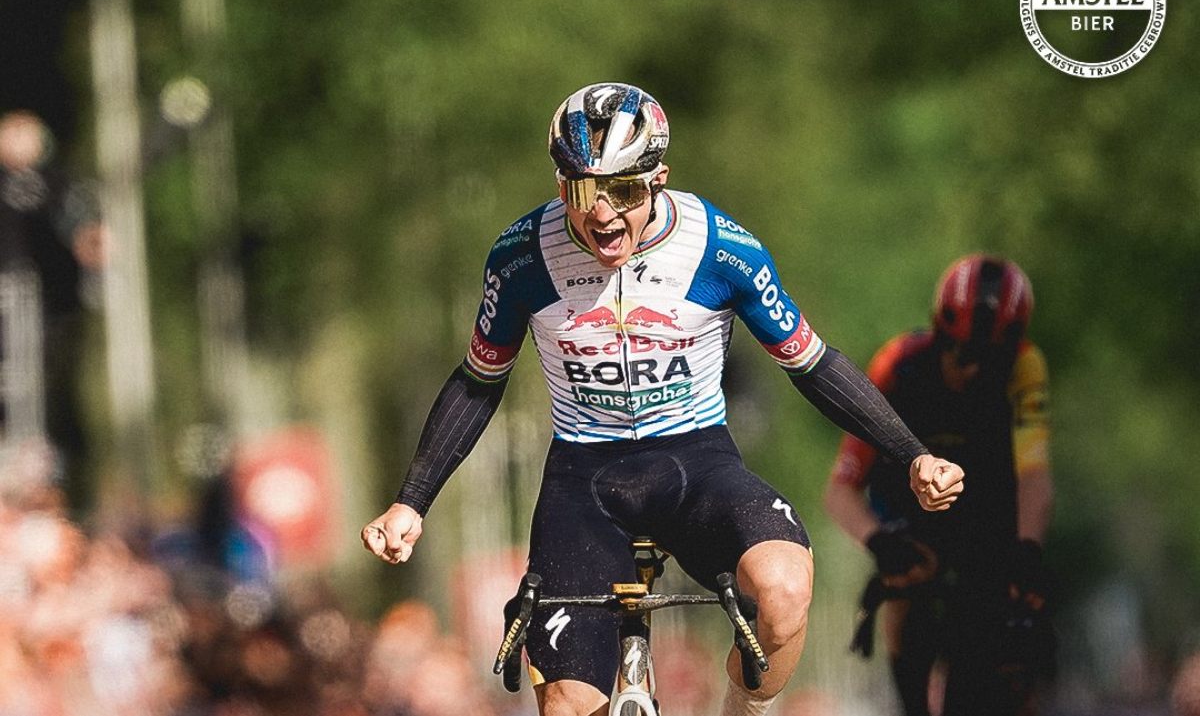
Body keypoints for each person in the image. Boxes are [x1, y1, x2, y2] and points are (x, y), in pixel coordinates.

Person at [361, 82, 965, 716]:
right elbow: (479, 380)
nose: (601, 215)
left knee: (784, 592)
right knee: (567, 708)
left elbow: (812, 364)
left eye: (623, 191)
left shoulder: (720, 247)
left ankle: (741, 710)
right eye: (582, 192)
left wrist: (912, 455)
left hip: (697, 464)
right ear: (560, 185)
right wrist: (411, 501)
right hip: (583, 481)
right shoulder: (522, 258)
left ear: (658, 179)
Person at [823, 255, 1056, 716]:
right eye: (961, 354)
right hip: (908, 512)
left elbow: (1033, 475)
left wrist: (1027, 551)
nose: (972, 373)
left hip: (987, 505)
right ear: (938, 334)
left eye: (990, 362)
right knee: (906, 586)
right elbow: (841, 490)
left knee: (1002, 632)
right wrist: (879, 543)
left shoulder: (1025, 364)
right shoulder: (897, 365)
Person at [0, 110, 105, 515]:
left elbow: (86, 230)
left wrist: (91, 244)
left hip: (47, 313)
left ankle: (57, 492)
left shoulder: (60, 183)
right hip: (8, 312)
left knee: (51, 399)